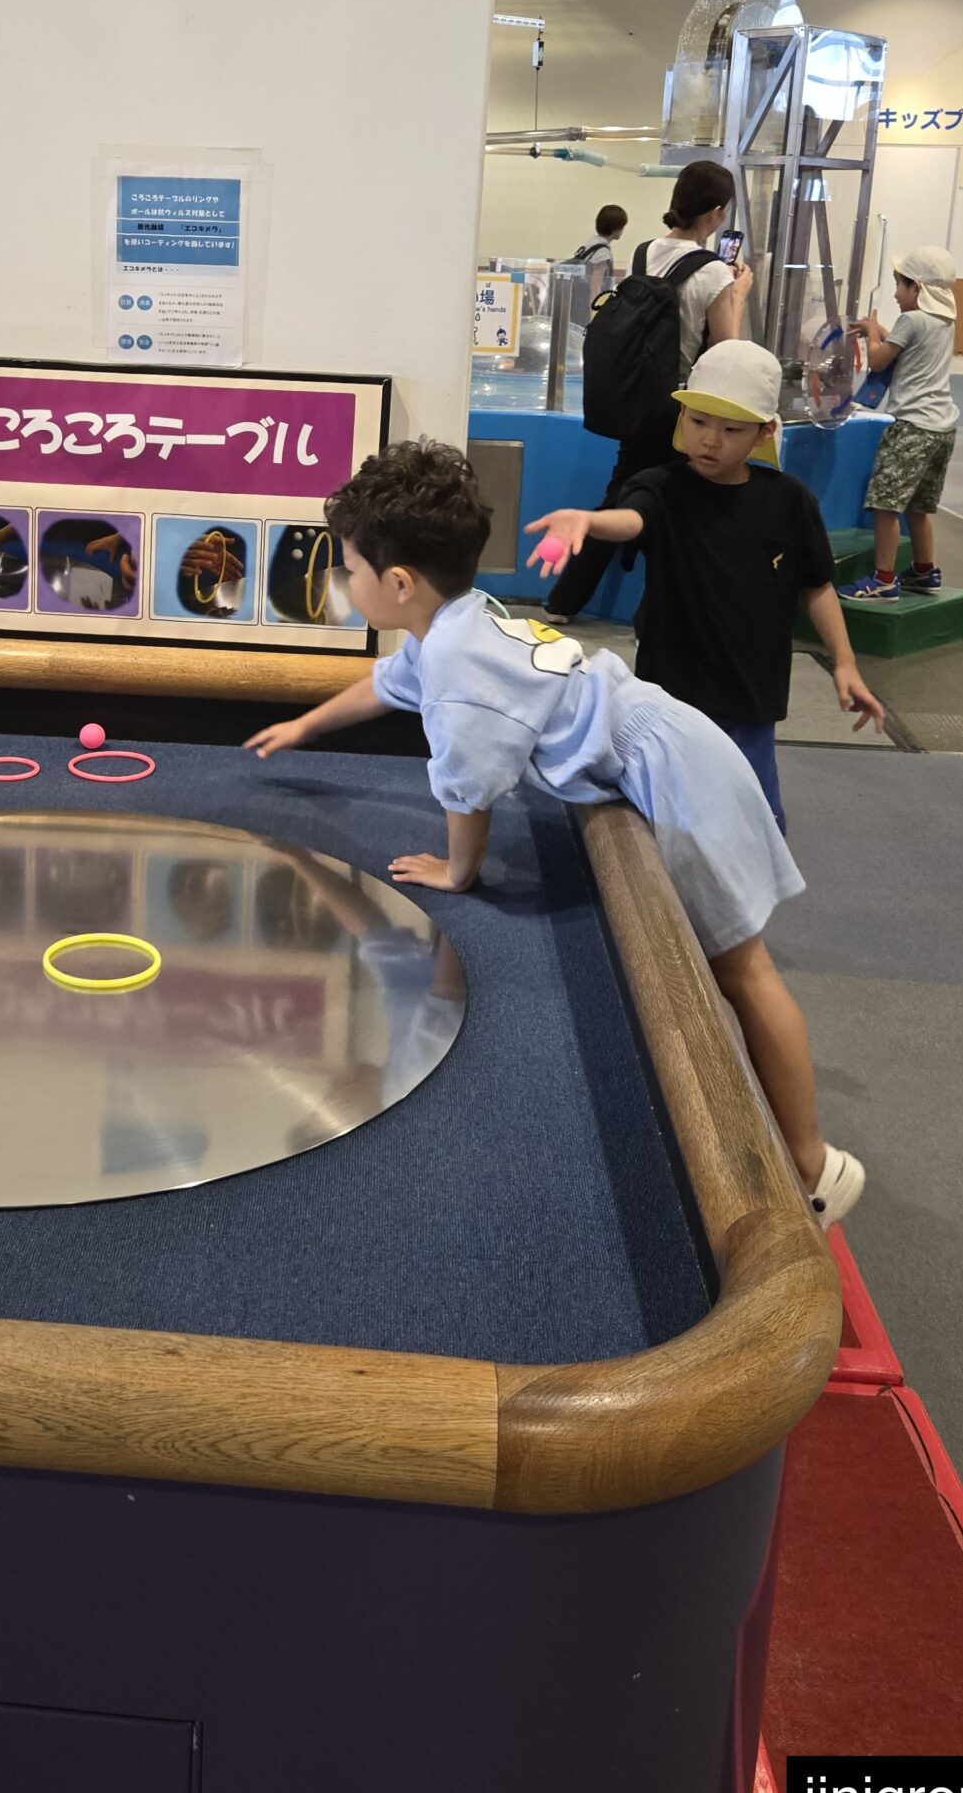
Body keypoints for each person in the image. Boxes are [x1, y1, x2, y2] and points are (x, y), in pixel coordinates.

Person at [245, 439, 863, 1225]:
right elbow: (386, 687)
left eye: (350, 571)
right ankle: (797, 1147)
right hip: (669, 745)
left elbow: (468, 787)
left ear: (397, 583)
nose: (346, 584)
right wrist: (304, 726)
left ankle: (813, 1167)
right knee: (731, 972)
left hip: (676, 771)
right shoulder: (456, 626)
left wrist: (457, 871)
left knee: (744, 972)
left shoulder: (460, 666)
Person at [523, 339, 884, 832]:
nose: (710, 440)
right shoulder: (661, 487)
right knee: (666, 816)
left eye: (731, 429)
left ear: (764, 432)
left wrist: (844, 663)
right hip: (670, 696)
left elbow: (816, 586)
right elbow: (632, 520)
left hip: (749, 701)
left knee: (751, 822)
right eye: (698, 422)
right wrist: (589, 521)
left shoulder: (789, 501)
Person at [546, 157, 753, 620]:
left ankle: (564, 601)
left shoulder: (645, 251)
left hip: (637, 399)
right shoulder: (714, 273)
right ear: (718, 213)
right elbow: (726, 350)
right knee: (683, 514)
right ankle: (653, 617)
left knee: (622, 496)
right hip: (683, 409)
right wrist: (737, 295)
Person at [848, 245, 959, 601]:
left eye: (899, 285)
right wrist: (877, 329)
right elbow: (904, 343)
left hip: (911, 426)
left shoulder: (911, 321)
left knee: (886, 505)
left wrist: (870, 335)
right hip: (942, 429)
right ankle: (925, 571)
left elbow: (880, 360)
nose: (896, 294)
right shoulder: (943, 322)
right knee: (919, 506)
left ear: (918, 289)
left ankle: (883, 579)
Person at [565, 202, 628, 307]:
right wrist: (595, 315)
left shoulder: (590, 245)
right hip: (584, 309)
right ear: (616, 228)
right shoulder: (602, 254)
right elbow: (595, 288)